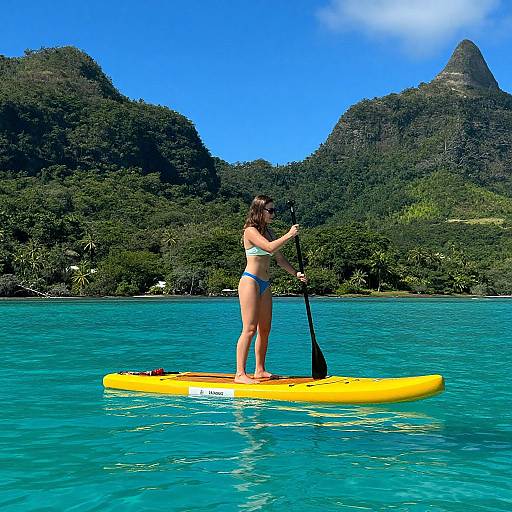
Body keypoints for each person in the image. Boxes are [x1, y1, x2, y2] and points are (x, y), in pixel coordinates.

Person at [235, 195, 306, 384]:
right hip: (250, 281)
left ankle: (259, 370)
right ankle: (240, 373)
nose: (273, 214)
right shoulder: (249, 231)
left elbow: (280, 259)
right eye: (270, 210)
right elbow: (267, 247)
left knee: (264, 329)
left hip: (265, 283)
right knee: (249, 329)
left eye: (274, 210)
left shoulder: (270, 232)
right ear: (259, 211)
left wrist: (296, 274)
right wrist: (289, 235)